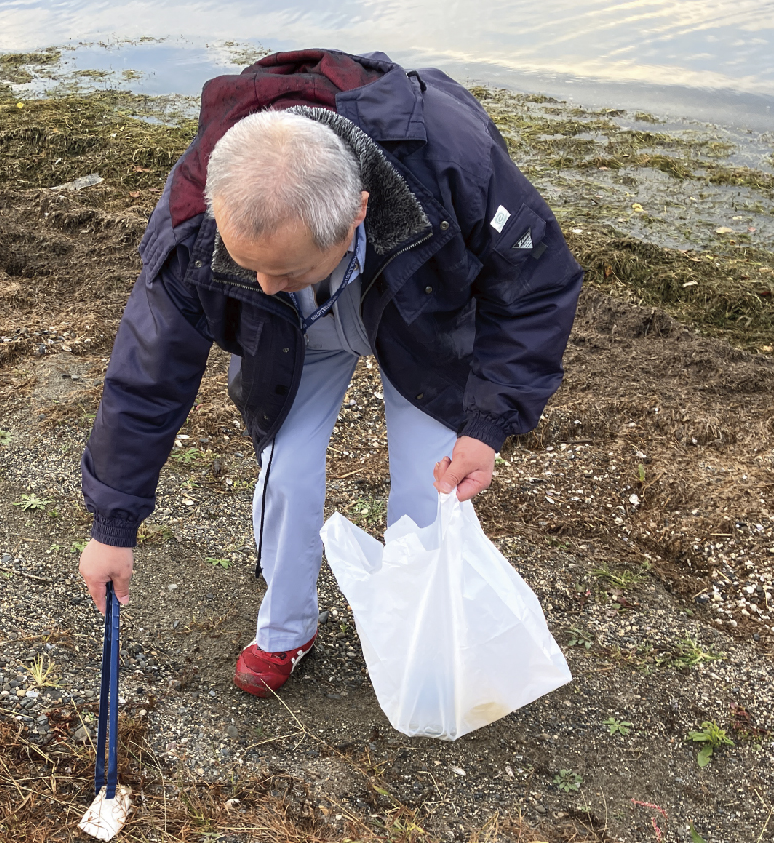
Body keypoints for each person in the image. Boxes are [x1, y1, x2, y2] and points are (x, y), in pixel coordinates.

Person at [77, 50, 582, 697]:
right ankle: (286, 629)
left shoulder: (451, 156)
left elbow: (536, 284)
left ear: (358, 214)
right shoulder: (197, 221)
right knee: (285, 472)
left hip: (416, 308)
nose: (258, 284)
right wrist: (113, 526)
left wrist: (487, 422)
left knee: (432, 487)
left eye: (280, 272)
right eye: (246, 266)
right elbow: (146, 374)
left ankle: (418, 640)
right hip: (294, 333)